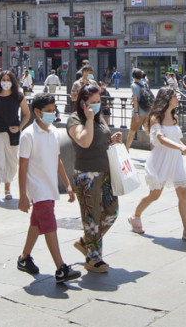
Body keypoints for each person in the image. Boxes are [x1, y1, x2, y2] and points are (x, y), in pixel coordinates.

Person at [16, 93, 81, 284]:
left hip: (50, 187)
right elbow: (23, 166)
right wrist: (22, 196)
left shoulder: (54, 132)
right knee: (50, 224)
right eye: (48, 111)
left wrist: (67, 183)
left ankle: (24, 258)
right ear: (37, 112)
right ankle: (61, 267)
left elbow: (57, 159)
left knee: (37, 223)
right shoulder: (28, 135)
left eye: (54, 111)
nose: (52, 114)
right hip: (37, 189)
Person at [127, 86, 186, 241]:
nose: (178, 98)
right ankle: (135, 216)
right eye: (175, 96)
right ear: (167, 99)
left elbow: (177, 139)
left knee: (183, 192)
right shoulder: (156, 117)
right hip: (160, 160)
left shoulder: (174, 117)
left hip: (175, 159)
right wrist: (181, 147)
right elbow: (161, 139)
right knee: (155, 194)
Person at [66, 83, 124, 273]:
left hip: (105, 171)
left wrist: (111, 140)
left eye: (99, 101)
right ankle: (93, 257)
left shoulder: (99, 119)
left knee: (111, 211)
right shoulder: (74, 120)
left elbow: (99, 140)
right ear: (83, 103)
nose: (97, 105)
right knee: (91, 217)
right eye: (93, 102)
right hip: (86, 175)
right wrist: (89, 119)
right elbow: (85, 141)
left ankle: (86, 242)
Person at [0, 70, 31, 204]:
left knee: (11, 159)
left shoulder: (18, 96)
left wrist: (20, 127)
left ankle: (7, 189)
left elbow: (27, 114)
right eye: (3, 80)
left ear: (13, 82)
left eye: (8, 80)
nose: (5, 82)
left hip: (12, 132)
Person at [125, 68, 150, 151]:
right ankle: (155, 150)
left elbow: (135, 100)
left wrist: (136, 113)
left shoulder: (134, 86)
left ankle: (127, 149)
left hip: (139, 112)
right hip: (147, 111)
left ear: (133, 76)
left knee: (132, 131)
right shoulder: (144, 83)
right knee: (149, 132)